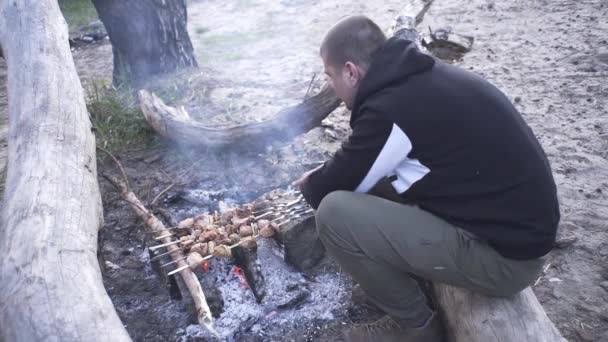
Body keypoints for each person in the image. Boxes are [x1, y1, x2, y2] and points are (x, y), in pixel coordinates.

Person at [294, 15, 560, 342]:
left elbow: (326, 190)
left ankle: (416, 326)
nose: (331, 85)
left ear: (351, 72)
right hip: (519, 230)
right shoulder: (414, 77)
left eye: (330, 76)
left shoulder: (389, 109)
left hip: (507, 261)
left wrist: (310, 181)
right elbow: (362, 165)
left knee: (335, 214)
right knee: (374, 182)